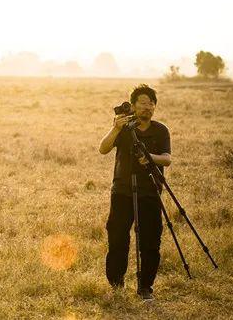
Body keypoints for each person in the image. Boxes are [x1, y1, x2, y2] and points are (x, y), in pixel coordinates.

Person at [98, 84, 171, 301]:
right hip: (122, 192)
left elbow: (167, 158)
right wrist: (116, 128)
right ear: (133, 106)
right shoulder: (124, 128)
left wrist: (149, 157)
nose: (147, 107)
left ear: (155, 107)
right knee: (118, 239)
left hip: (150, 192)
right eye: (142, 103)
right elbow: (103, 148)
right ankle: (117, 285)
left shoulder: (160, 130)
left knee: (151, 242)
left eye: (151, 103)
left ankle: (146, 286)